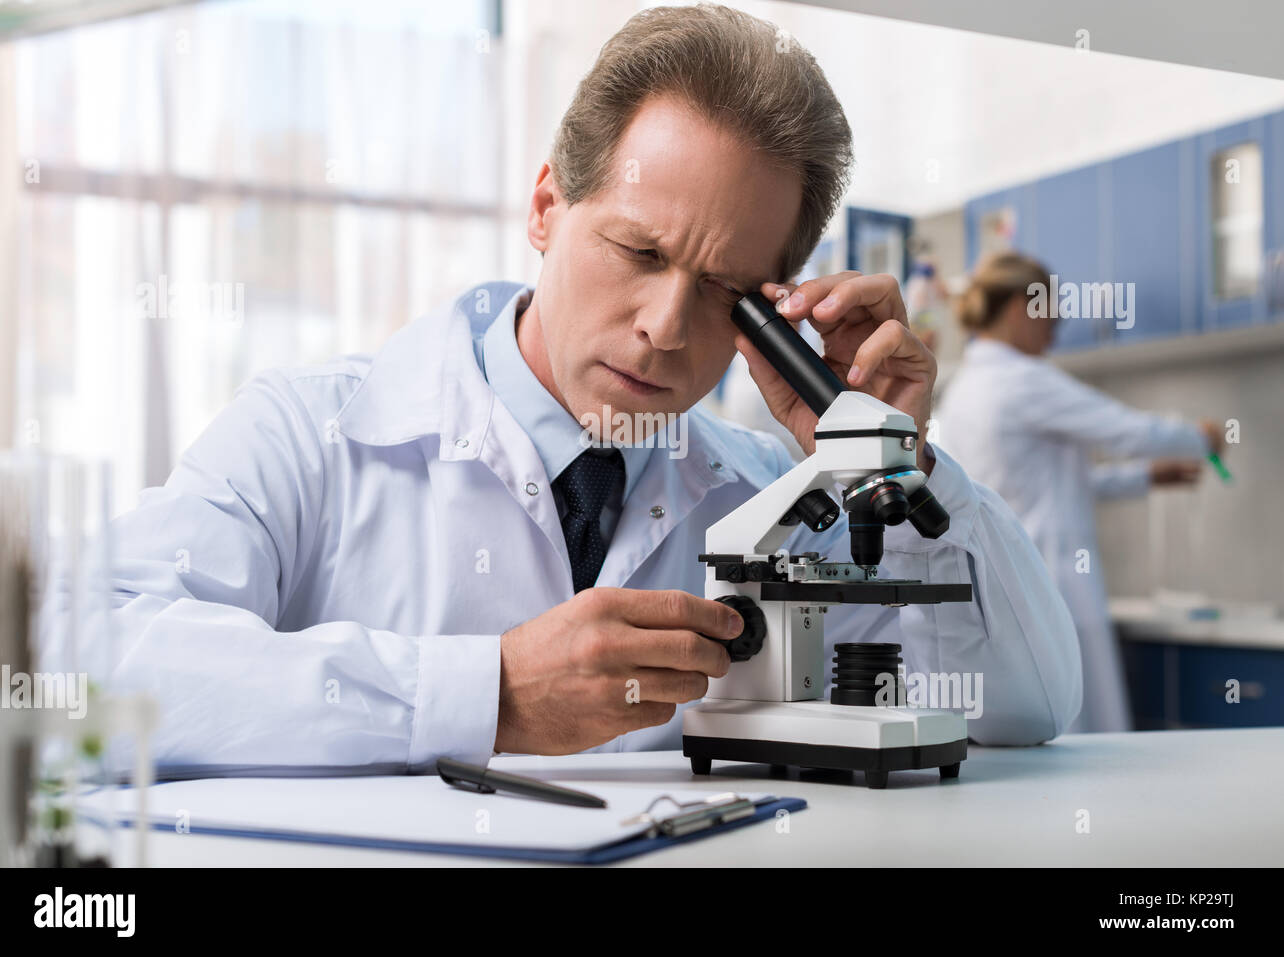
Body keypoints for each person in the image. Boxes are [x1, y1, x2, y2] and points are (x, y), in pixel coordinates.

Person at [103, 5, 1082, 775]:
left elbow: (1026, 710)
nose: (663, 324)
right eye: (639, 250)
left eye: (726, 291)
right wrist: (486, 695)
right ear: (545, 208)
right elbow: (102, 667)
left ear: (777, 311)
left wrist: (899, 470)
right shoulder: (311, 432)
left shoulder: (774, 508)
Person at [936, 252, 1224, 734]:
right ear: (1017, 310)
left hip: (999, 589)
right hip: (1056, 580)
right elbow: (1127, 432)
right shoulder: (1024, 379)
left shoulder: (962, 390)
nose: (1060, 322)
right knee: (1085, 736)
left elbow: (1046, 486)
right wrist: (1202, 437)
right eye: (1051, 308)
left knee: (1036, 736)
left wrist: (1146, 478)